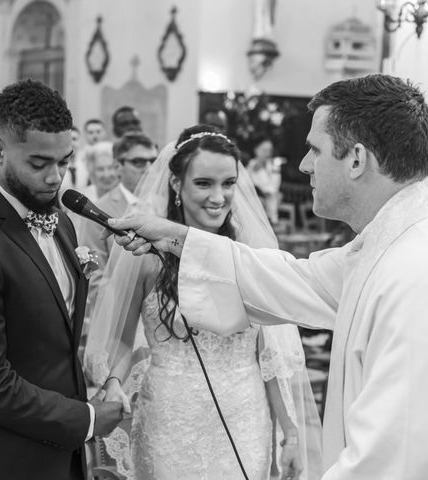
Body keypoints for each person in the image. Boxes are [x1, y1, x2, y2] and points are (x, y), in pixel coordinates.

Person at [108, 74, 428, 479]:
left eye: (315, 150)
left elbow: (388, 460)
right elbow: (292, 281)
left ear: (357, 159)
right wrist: (176, 237)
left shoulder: (412, 272)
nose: (303, 165)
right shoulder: (383, 247)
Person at [84, 126, 321, 480]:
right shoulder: (146, 255)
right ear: (177, 184)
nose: (219, 196)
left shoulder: (251, 256)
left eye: (228, 183)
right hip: (169, 415)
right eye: (204, 183)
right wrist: (115, 380)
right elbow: (122, 335)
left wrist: (289, 432)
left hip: (244, 415)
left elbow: (270, 352)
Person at [0, 79, 124, 480]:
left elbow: (52, 340)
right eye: (39, 163)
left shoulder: (63, 221)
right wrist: (85, 418)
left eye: (64, 161)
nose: (55, 177)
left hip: (55, 454)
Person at [79, 132, 157, 311]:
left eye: (153, 161)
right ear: (117, 166)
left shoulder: (165, 204)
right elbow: (94, 277)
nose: (148, 168)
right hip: (122, 316)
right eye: (138, 162)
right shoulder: (98, 211)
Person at [247, 136, 283, 224]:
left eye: (269, 151)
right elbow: (251, 184)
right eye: (264, 150)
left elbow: (276, 183)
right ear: (256, 150)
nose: (267, 154)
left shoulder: (274, 165)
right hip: (257, 199)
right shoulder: (251, 166)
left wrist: (270, 190)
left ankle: (272, 218)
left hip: (272, 197)